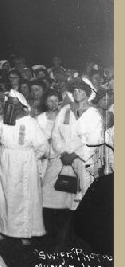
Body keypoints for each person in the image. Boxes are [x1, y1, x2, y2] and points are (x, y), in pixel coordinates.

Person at [45, 79, 105, 246]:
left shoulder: (94, 114)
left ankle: (85, 236)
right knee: (59, 194)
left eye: (81, 90)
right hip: (63, 157)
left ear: (87, 92)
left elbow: (94, 140)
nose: (77, 93)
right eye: (75, 90)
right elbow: (56, 133)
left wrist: (76, 154)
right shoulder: (66, 109)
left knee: (84, 196)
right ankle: (60, 235)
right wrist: (64, 152)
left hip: (84, 160)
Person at [0, 90, 48, 245]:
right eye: (9, 103)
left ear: (22, 105)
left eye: (14, 104)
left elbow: (42, 146)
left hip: (24, 165)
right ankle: (3, 229)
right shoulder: (2, 121)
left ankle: (24, 233)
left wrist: (29, 160)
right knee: (2, 196)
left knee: (22, 198)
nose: (11, 106)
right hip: (4, 162)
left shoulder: (29, 122)